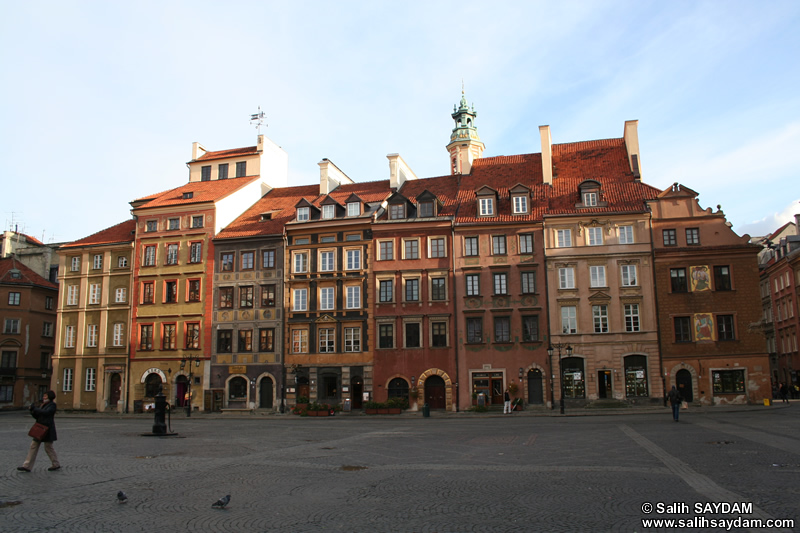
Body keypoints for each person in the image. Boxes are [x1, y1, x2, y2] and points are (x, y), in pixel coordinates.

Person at [18, 390, 60, 472]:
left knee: (48, 448)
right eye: (44, 396)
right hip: (40, 429)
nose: (44, 397)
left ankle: (55, 464)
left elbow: (46, 413)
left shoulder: (52, 405)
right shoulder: (43, 405)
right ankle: (27, 466)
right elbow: (38, 416)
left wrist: (35, 409)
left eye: (45, 396)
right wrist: (32, 411)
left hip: (47, 430)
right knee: (33, 446)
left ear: (49, 397)